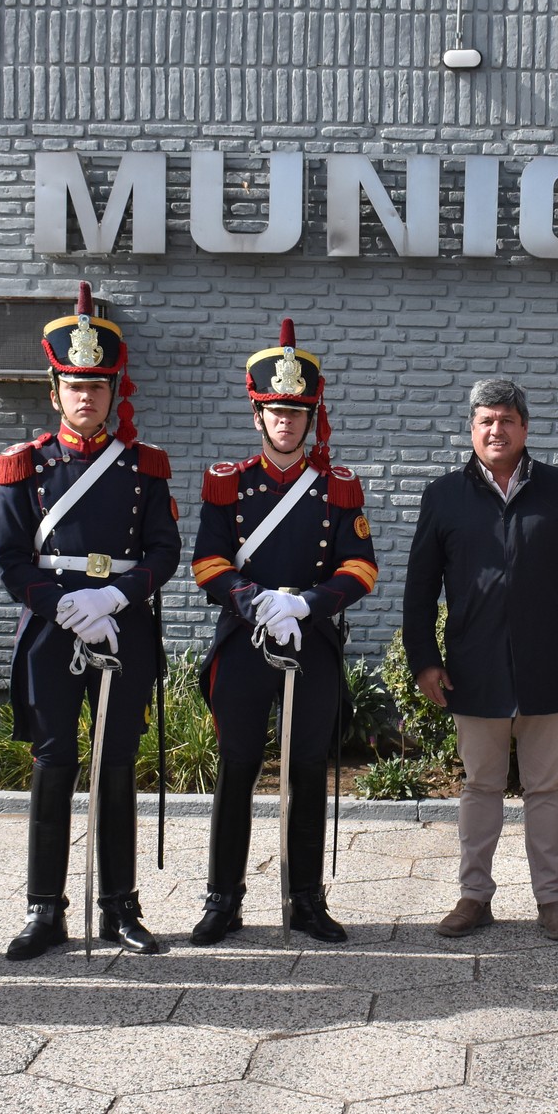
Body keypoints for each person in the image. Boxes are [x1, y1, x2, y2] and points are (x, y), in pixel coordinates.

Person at [0, 282, 179, 959]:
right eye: (76, 385)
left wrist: (116, 597)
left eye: (99, 386)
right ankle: (45, 909)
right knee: (53, 761)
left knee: (117, 763)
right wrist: (62, 604)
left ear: (114, 390)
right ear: (55, 390)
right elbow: (10, 559)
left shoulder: (144, 465)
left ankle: (120, 906)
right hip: (51, 631)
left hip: (121, 626)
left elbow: (166, 550)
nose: (87, 397)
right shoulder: (26, 464)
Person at [187, 318, 378, 945]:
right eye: (275, 410)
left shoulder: (338, 488)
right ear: (258, 415)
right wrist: (253, 600)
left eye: (297, 411)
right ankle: (223, 898)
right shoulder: (228, 483)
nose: (286, 421)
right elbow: (208, 561)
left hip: (311, 641)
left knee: (307, 768)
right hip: (244, 641)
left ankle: (305, 898)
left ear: (312, 415)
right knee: (237, 767)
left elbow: (361, 566)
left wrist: (308, 604)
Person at [403, 378, 558, 942]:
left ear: (525, 427)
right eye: (485, 421)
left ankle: (552, 900)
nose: (497, 430)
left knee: (547, 788)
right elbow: (420, 587)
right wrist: (424, 658)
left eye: (507, 420)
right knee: (479, 787)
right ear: (472, 430)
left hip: (549, 664)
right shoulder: (444, 496)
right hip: (474, 665)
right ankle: (474, 897)